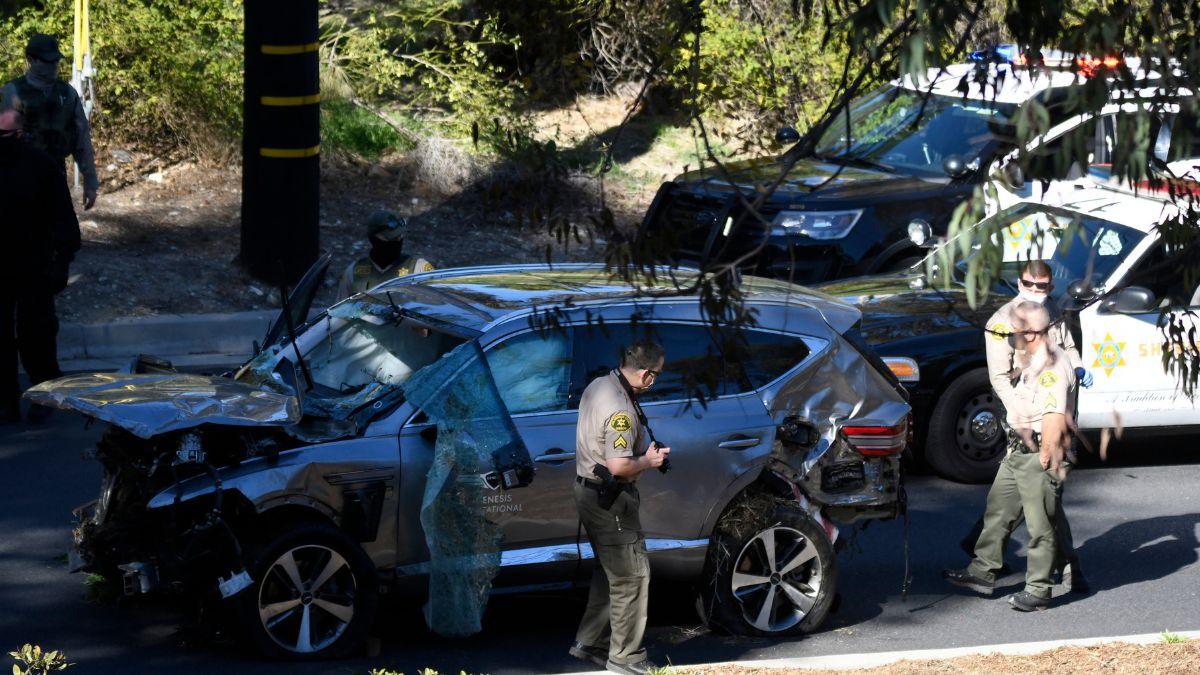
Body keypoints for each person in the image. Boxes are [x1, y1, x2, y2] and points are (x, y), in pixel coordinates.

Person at [961, 259, 1090, 593]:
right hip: (1024, 421)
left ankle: (1043, 584)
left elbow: (1066, 356)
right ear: (1018, 283)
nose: (1035, 291)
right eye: (1029, 284)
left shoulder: (1053, 324)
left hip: (1046, 425)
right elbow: (999, 378)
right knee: (1011, 502)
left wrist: (1077, 368)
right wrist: (1018, 415)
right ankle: (984, 566)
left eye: (1043, 286)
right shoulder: (1002, 323)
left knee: (1044, 510)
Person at [944, 302, 1077, 611]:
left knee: (1040, 524)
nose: (1009, 336)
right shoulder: (1033, 359)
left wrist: (1045, 457)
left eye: (1014, 331)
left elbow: (1054, 417)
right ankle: (981, 572)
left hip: (1039, 451)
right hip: (1020, 449)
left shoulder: (1052, 368)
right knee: (998, 511)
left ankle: (1039, 590)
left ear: (1030, 334)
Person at [569, 339, 670, 675]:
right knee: (632, 575)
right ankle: (626, 658)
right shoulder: (621, 410)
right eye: (655, 375)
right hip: (610, 500)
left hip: (587, 492)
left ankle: (592, 641)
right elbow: (619, 466)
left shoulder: (600, 384)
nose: (654, 381)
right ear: (645, 374)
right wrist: (649, 460)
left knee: (609, 572)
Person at [0, 107, 81, 422]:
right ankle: (5, 400)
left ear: (20, 135)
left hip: (34, 265)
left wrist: (62, 262)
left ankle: (43, 395)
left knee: (37, 334)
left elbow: (63, 218)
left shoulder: (41, 167)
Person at [1, 34, 98, 210]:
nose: (53, 66)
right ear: (31, 60)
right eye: (46, 61)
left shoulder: (67, 94)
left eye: (55, 61)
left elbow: (81, 140)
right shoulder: (12, 93)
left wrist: (90, 182)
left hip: (55, 175)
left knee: (62, 233)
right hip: (20, 179)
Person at [336, 210, 433, 299]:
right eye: (391, 238)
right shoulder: (354, 272)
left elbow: (437, 308)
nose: (397, 241)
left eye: (400, 237)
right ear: (373, 239)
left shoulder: (418, 269)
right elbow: (338, 313)